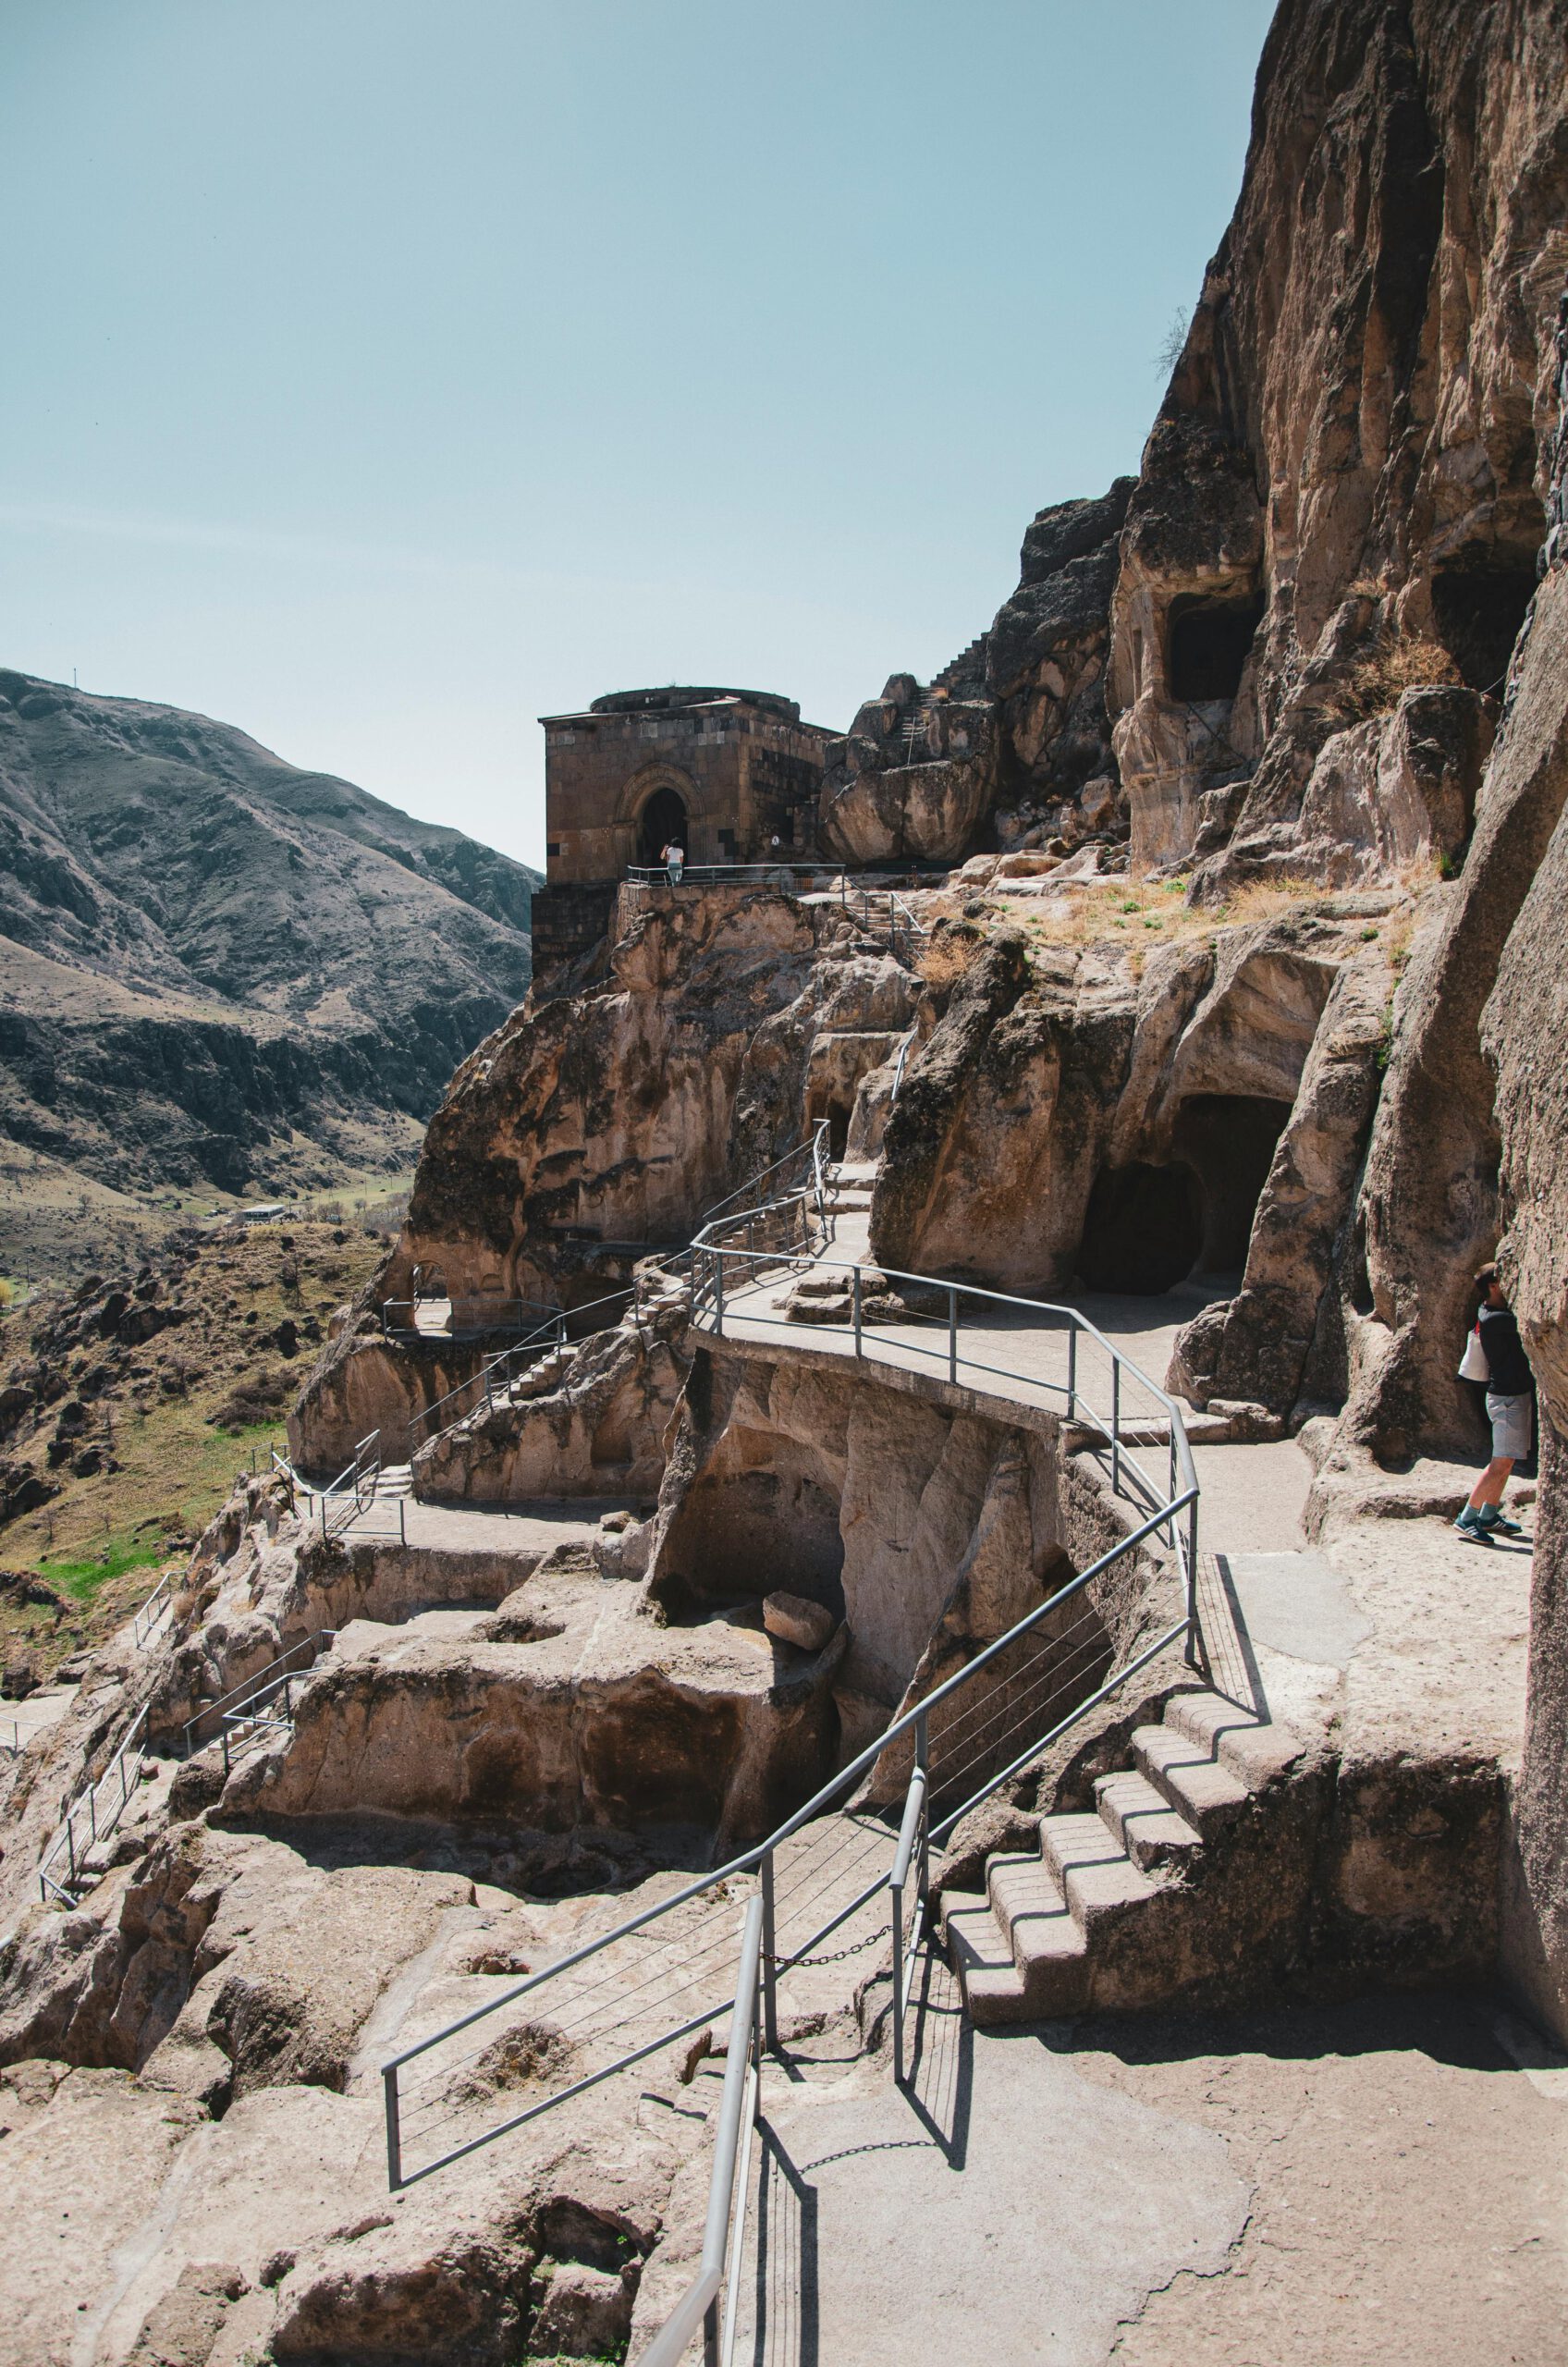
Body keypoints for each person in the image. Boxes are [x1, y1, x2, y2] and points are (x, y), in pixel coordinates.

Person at [1454, 1263, 1533, 1543]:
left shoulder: (1487, 1312)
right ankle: (1467, 1517)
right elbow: (1528, 1322)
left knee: (1507, 1461)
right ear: (1493, 1286)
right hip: (1507, 1399)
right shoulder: (1496, 1320)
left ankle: (1488, 1515)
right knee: (1499, 1463)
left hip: (1512, 1395)